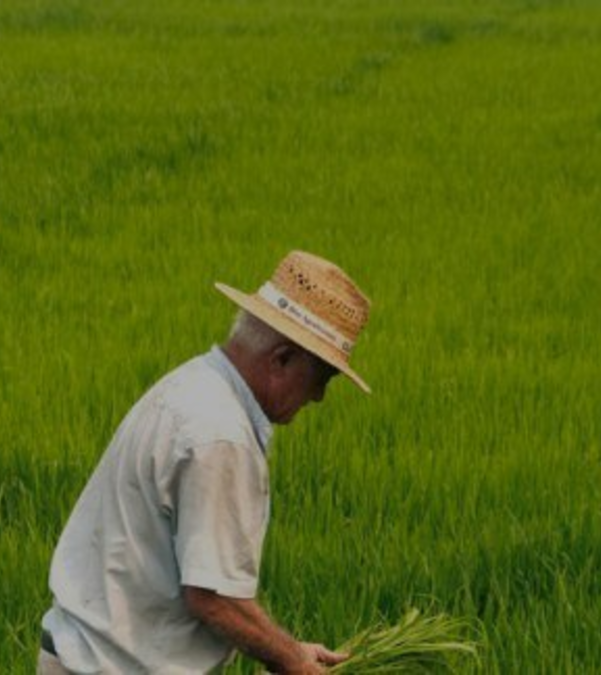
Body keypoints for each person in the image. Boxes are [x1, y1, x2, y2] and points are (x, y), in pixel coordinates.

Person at [39, 251, 373, 674]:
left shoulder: (194, 384)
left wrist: (293, 652)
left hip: (86, 657)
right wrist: (294, 662)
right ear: (282, 359)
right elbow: (214, 598)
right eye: (321, 378)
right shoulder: (221, 435)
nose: (319, 396)